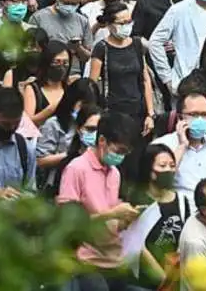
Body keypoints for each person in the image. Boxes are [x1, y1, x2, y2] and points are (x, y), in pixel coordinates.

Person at [57, 111, 143, 290]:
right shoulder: (76, 169)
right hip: (87, 262)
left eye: (126, 153)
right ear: (102, 141)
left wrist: (125, 219)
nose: (121, 156)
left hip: (114, 259)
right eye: (119, 151)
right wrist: (112, 213)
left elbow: (111, 222)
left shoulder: (114, 172)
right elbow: (67, 223)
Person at [152, 91, 206, 213]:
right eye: (193, 114)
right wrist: (182, 146)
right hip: (175, 218)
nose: (200, 119)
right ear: (180, 117)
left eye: (205, 114)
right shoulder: (161, 145)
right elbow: (157, 185)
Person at [122, 143, 192, 288]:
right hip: (143, 280)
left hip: (175, 277)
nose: (169, 170)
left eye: (172, 165)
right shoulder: (137, 203)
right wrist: (163, 279)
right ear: (150, 171)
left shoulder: (181, 202)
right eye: (163, 165)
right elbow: (136, 247)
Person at [90, 2, 155, 133]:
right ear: (109, 25)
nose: (126, 26)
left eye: (129, 22)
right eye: (121, 23)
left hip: (138, 112)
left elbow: (145, 79)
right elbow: (93, 85)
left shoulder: (137, 44)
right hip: (113, 113)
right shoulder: (101, 48)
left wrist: (150, 114)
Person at [29, 0, 93, 68]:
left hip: (73, 75)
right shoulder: (39, 18)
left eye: (74, 4)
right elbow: (30, 51)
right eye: (66, 3)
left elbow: (87, 57)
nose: (70, 7)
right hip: (45, 72)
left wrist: (78, 48)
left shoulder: (82, 21)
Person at [22, 40, 73, 126]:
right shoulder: (33, 89)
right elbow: (27, 123)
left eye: (65, 63)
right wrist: (51, 109)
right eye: (57, 62)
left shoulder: (70, 89)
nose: (61, 66)